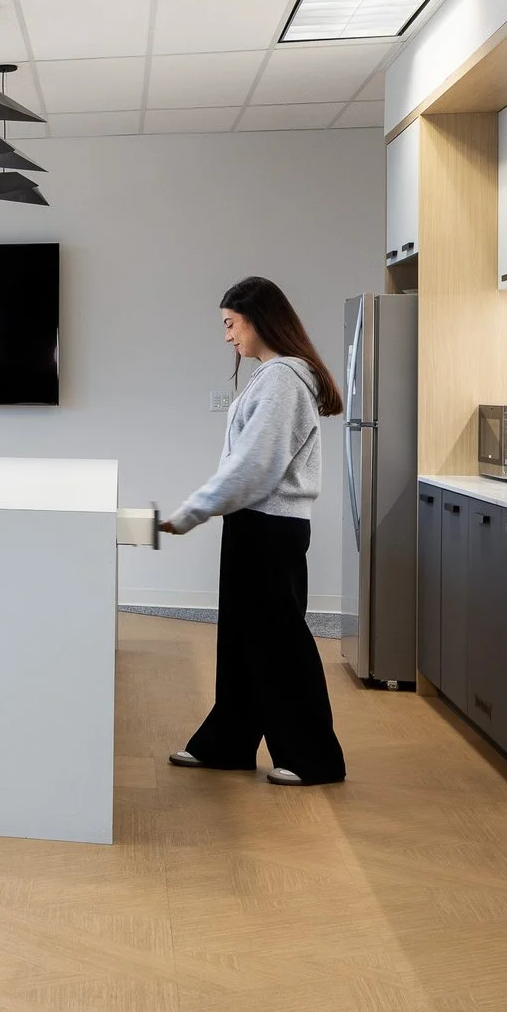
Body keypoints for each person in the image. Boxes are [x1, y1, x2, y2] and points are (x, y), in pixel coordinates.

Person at [160, 276, 347, 786]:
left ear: (258, 319)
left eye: (230, 323)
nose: (227, 336)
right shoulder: (272, 376)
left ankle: (315, 759)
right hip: (255, 526)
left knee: (280, 646)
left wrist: (194, 510)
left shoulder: (285, 379)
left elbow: (256, 466)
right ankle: (226, 745)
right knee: (245, 643)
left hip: (270, 528)